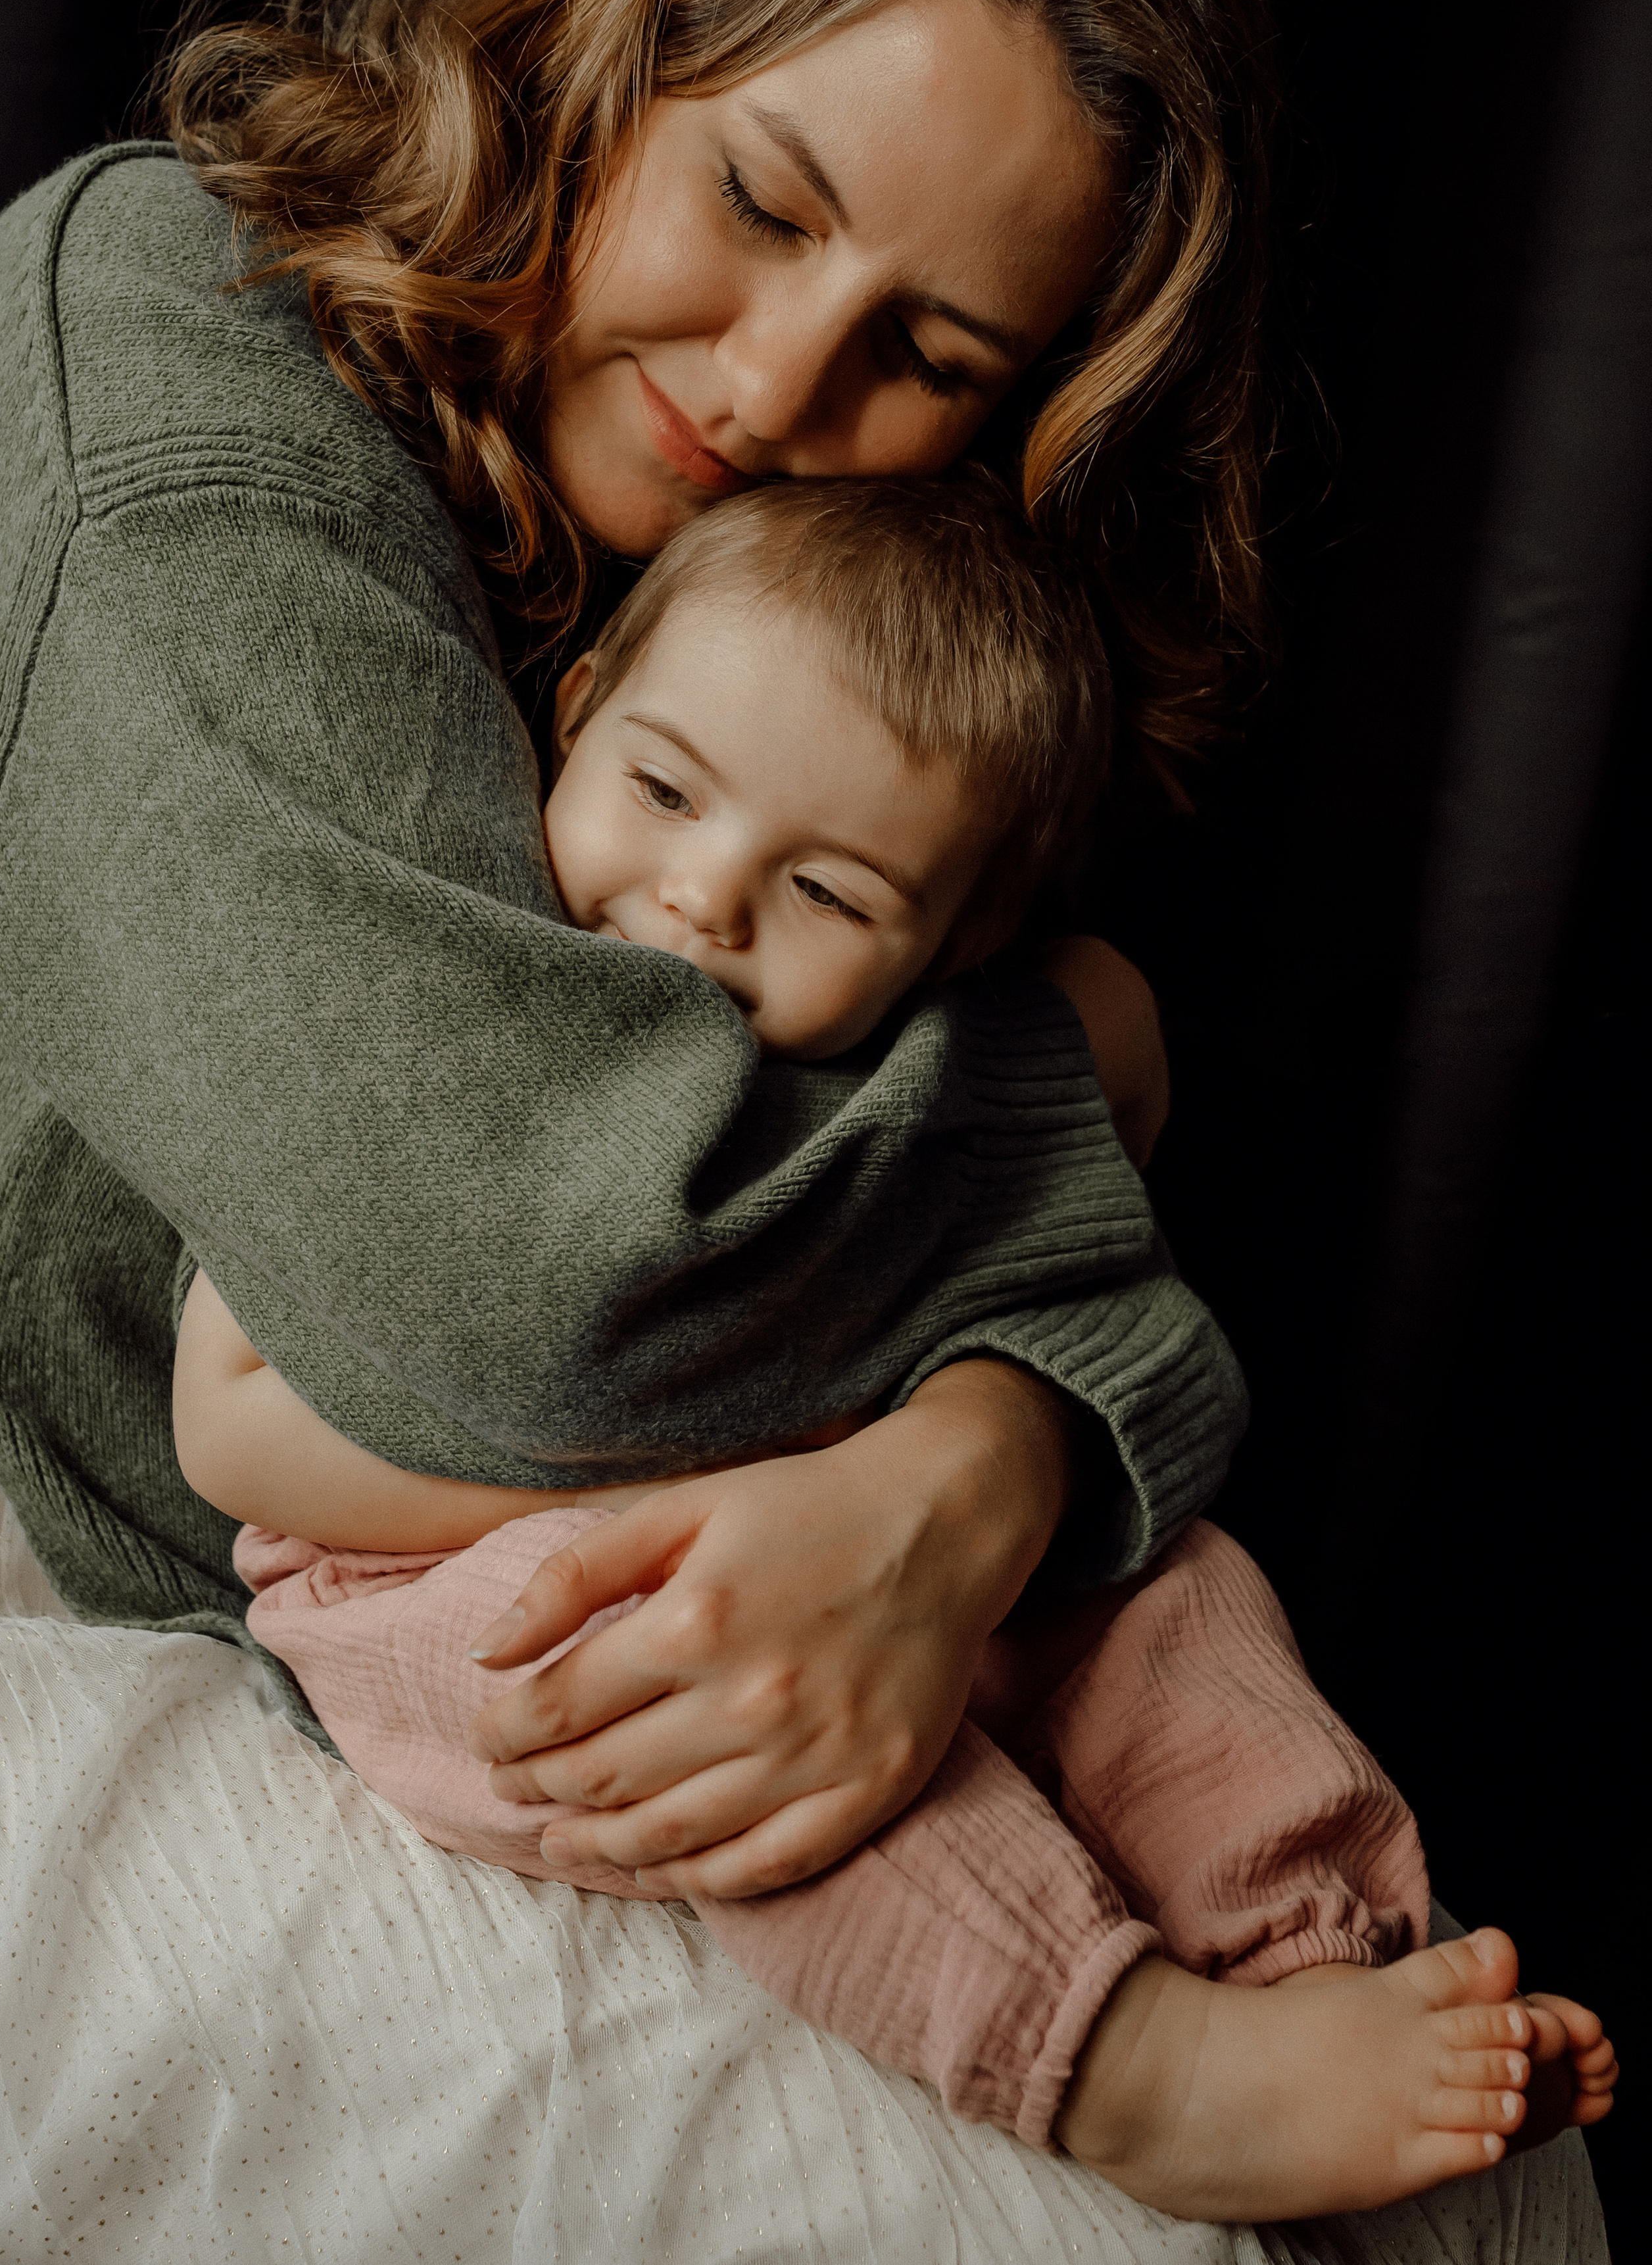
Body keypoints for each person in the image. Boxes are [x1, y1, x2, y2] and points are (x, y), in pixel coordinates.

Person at [0, 0, 1612, 2228]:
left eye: (928, 356)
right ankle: (1124, 2057)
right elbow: (532, 1271)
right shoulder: (155, 357)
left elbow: (843, 1228)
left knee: (1463, 2162)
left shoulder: (815, 625)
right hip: (262, 1550)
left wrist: (995, 1467)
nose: (775, 388)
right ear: (611, 38)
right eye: (759, 199)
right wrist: (1084, 1067)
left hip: (766, 1497)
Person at [173, 474, 1614, 2221]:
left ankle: (1309, 1943)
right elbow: (228, 1424)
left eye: (832, 889)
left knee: (1171, 1585)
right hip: (440, 1566)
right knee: (714, 1676)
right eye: (663, 787)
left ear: (955, 939)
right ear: (579, 707)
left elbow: (1111, 1125)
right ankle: (1129, 2064)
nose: (704, 896)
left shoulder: (901, 1084)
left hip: (853, 1519)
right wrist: (717, 1471)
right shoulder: (456, 1001)